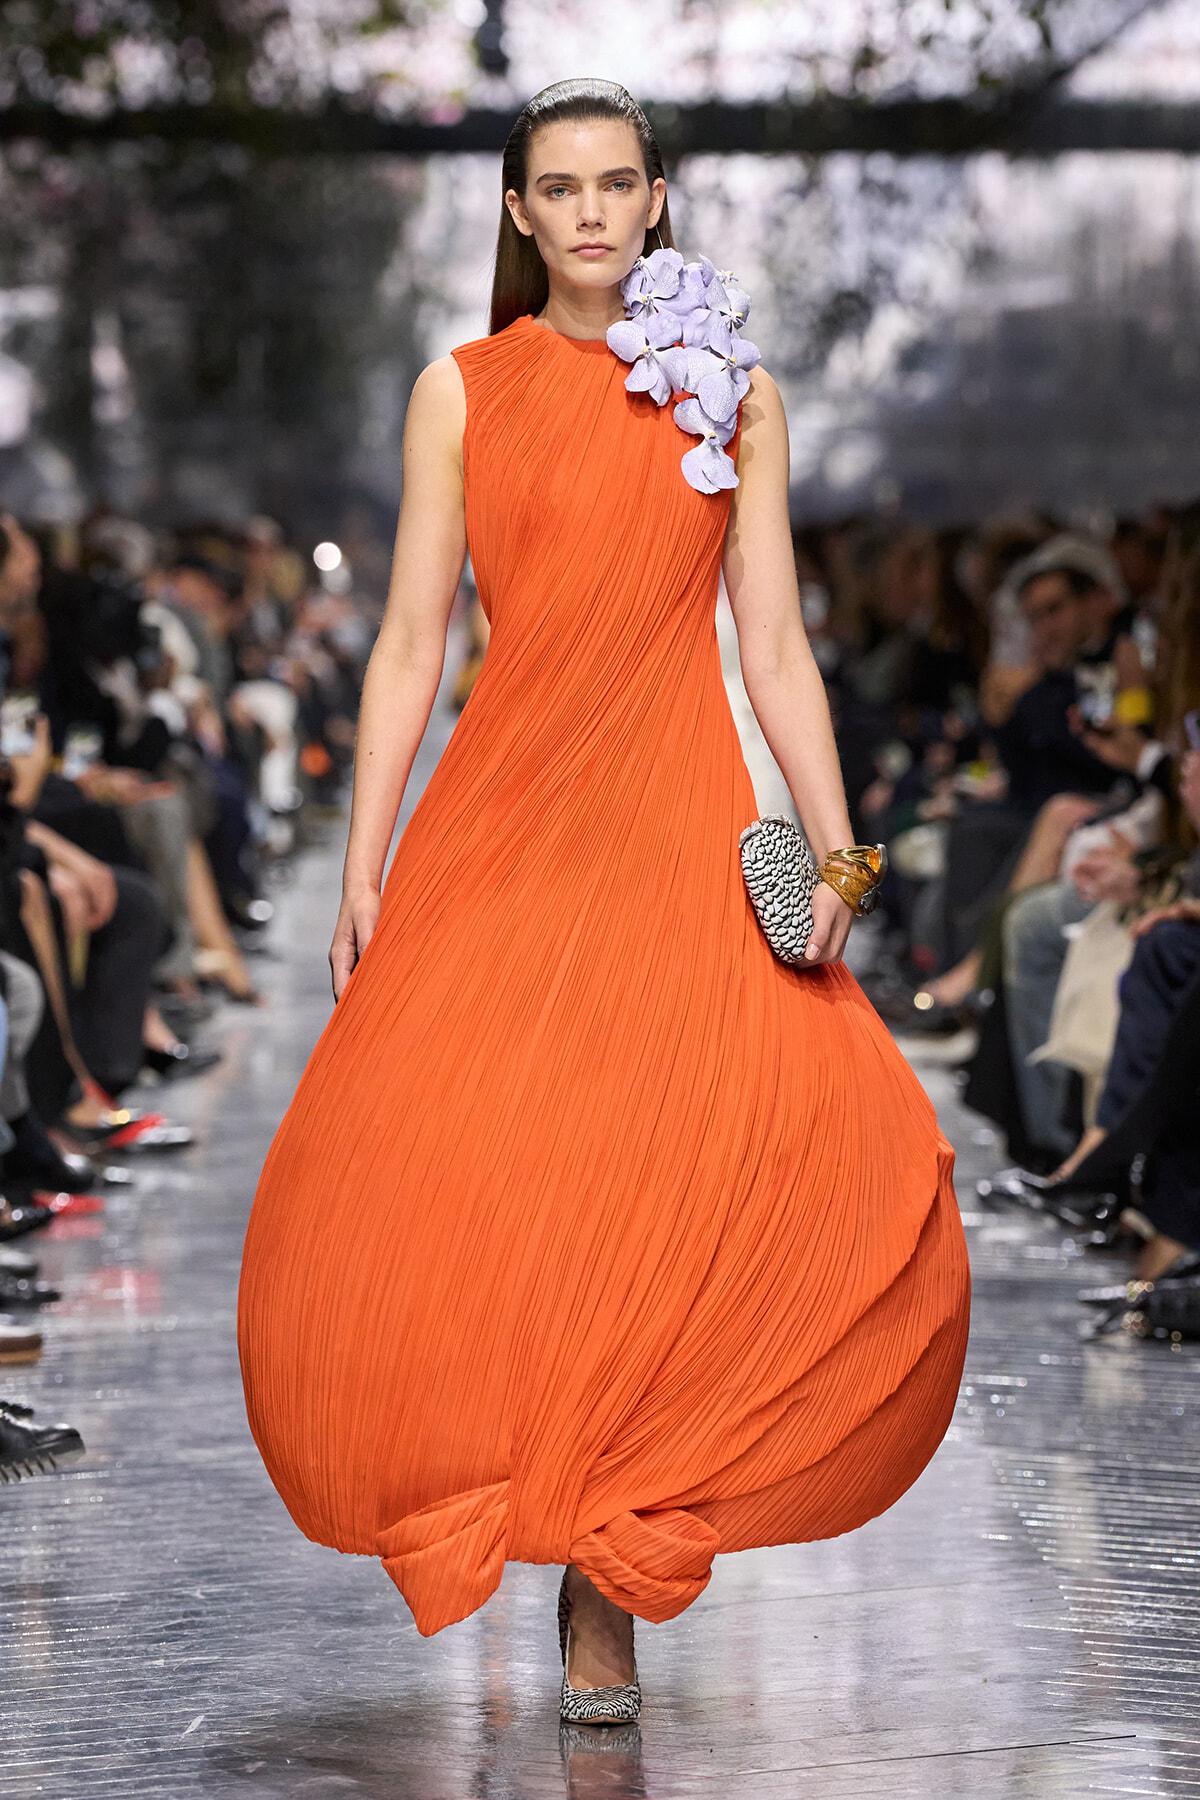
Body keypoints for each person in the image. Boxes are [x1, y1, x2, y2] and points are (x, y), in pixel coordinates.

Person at [238, 79, 970, 1727]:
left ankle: (604, 1586)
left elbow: (774, 643)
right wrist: (363, 862)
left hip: (672, 814)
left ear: (657, 199)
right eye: (553, 187)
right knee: (503, 1167)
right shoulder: (462, 392)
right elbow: (412, 642)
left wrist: (837, 856)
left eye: (613, 183)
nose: (584, 210)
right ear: (514, 213)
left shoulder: (735, 396)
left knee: (666, 1174)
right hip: (505, 819)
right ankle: (538, 1491)